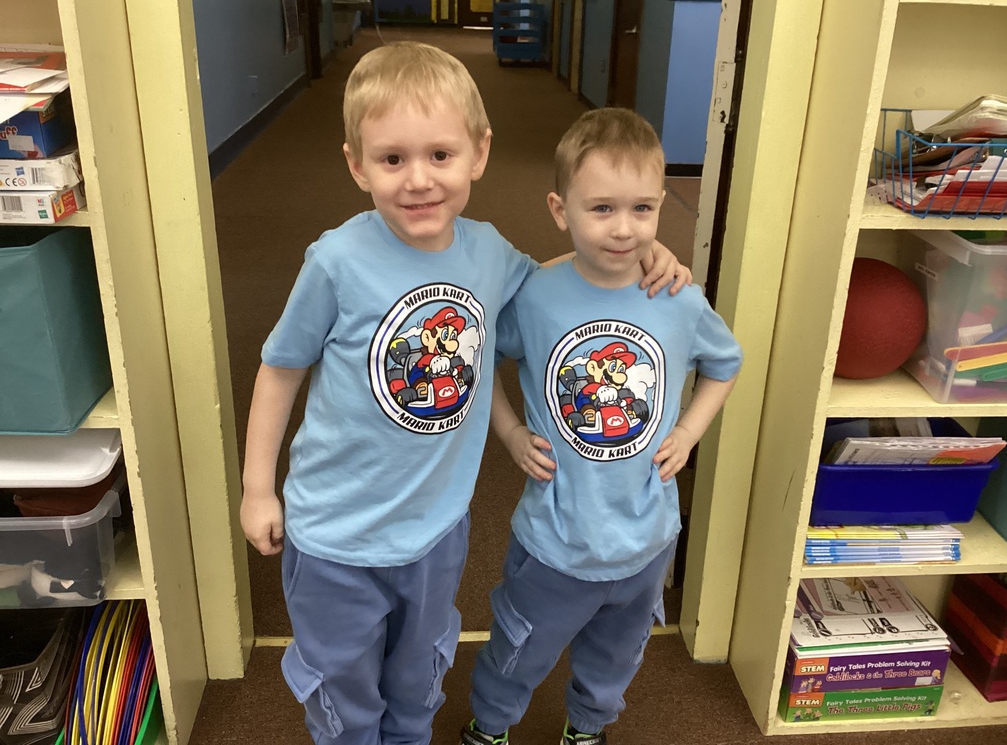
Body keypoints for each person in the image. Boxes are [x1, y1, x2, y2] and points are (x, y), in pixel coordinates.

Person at [239, 43, 690, 745]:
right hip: (334, 534)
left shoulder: (488, 252)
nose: (419, 180)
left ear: (479, 153)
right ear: (357, 164)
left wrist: (642, 253)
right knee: (342, 682)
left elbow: (560, 277)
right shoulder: (335, 261)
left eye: (440, 156)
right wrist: (256, 488)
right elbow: (279, 370)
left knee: (419, 676)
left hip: (436, 531)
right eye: (392, 160)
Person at [460, 108, 743, 745]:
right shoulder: (535, 295)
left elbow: (725, 364)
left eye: (643, 209)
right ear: (561, 210)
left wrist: (690, 432)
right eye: (602, 209)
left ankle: (586, 729)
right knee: (518, 648)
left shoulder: (677, 298)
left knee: (617, 656)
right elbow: (477, 361)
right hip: (556, 539)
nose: (624, 229)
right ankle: (491, 727)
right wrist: (507, 433)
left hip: (647, 538)